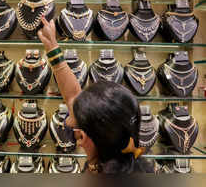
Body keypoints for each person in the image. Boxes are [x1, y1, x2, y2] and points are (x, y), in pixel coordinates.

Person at [37, 17, 155, 174]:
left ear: (83, 137)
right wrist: (52, 48)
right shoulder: (130, 160)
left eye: (74, 122)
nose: (67, 120)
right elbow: (73, 95)